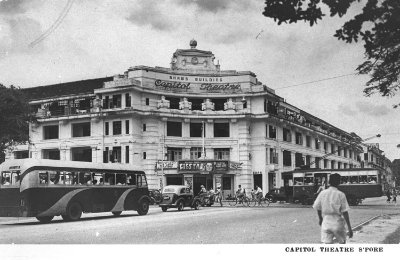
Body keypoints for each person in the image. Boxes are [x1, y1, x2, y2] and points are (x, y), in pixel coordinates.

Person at [313, 173, 353, 244]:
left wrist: (320, 218)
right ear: (339, 182)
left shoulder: (322, 193)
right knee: (342, 244)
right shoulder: (341, 194)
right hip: (338, 223)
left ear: (329, 182)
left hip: (326, 223)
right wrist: (349, 228)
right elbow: (345, 212)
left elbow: (317, 207)